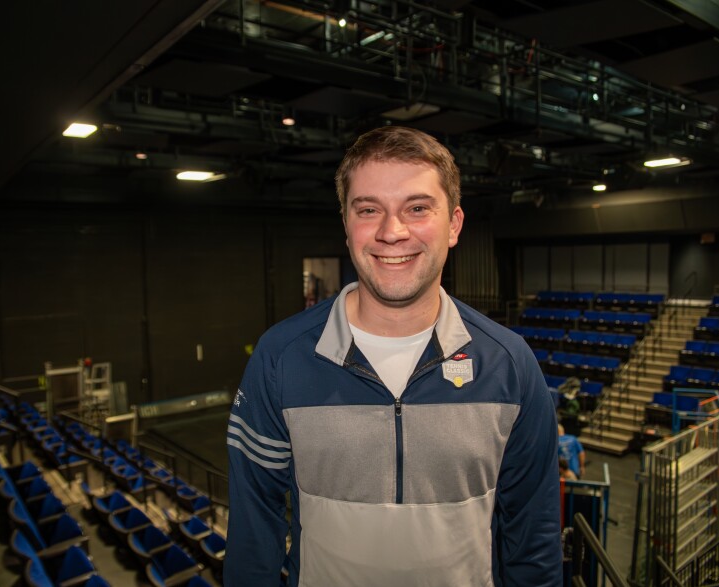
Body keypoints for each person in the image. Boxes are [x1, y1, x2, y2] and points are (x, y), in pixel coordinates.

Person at [225, 126, 562, 586]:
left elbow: (533, 539)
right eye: (369, 210)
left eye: (418, 208)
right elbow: (253, 533)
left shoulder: (510, 363)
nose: (392, 232)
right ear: (347, 224)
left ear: (455, 225)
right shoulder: (280, 357)